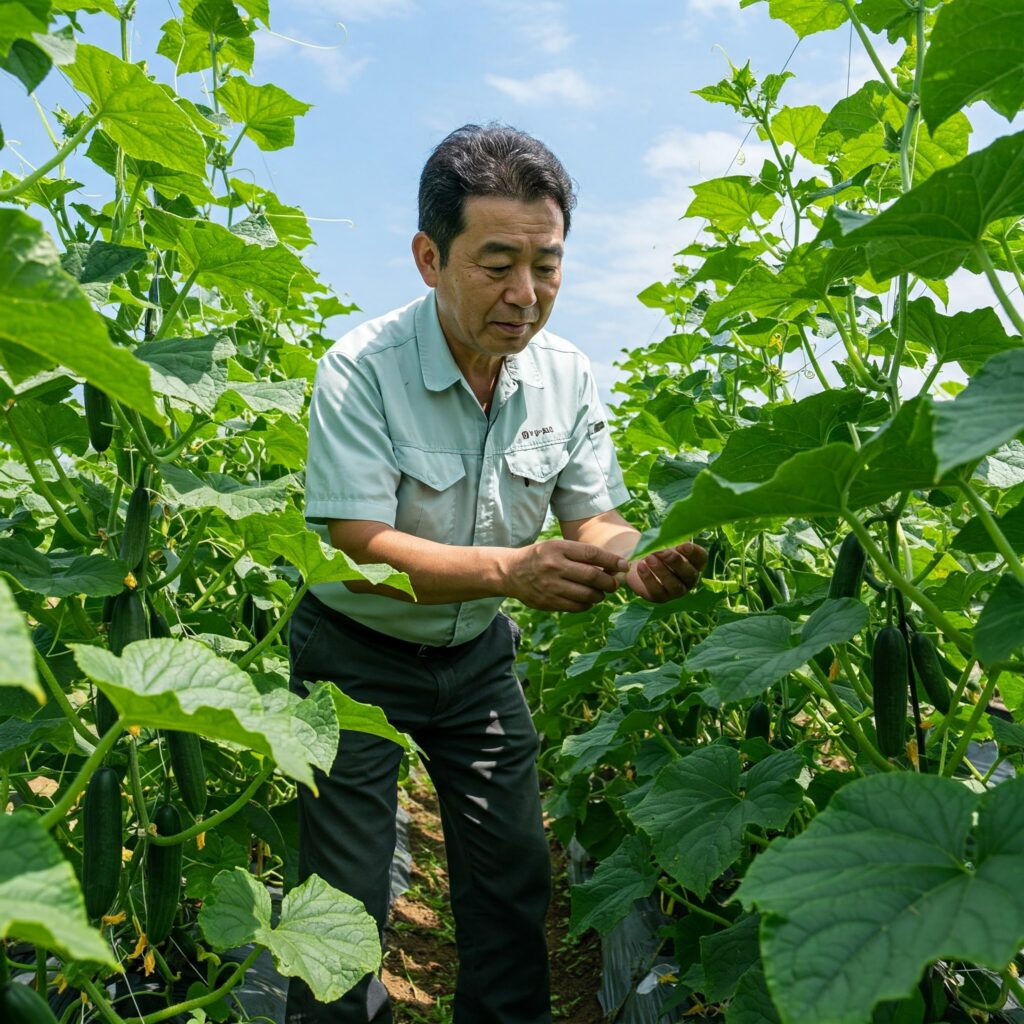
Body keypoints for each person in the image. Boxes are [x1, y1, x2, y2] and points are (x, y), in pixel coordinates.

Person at [286, 123, 707, 1024]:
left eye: (547, 265)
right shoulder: (360, 371)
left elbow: (592, 513)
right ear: (429, 257)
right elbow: (358, 546)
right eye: (497, 262)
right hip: (353, 658)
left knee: (514, 882)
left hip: (476, 662)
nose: (526, 294)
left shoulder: (567, 376)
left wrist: (637, 560)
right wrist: (510, 571)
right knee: (343, 908)